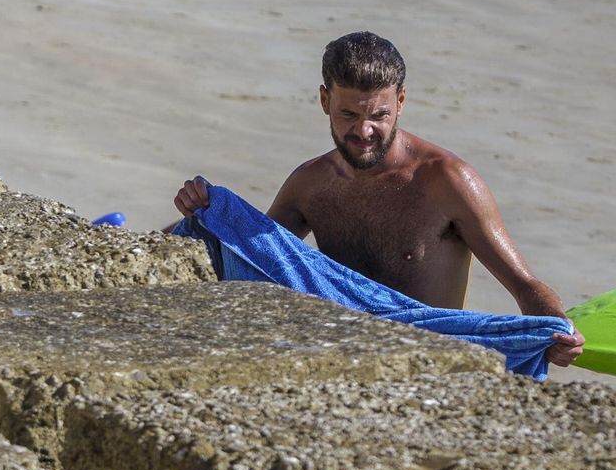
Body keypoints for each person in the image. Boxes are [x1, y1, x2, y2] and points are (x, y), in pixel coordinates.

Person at [173, 31, 584, 367]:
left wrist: (558, 326)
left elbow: (525, 284)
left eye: (379, 116)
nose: (364, 131)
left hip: (426, 355)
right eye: (349, 115)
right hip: (337, 351)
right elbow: (251, 255)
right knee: (216, 218)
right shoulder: (310, 183)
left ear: (400, 102)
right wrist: (204, 210)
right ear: (324, 101)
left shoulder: (446, 181)